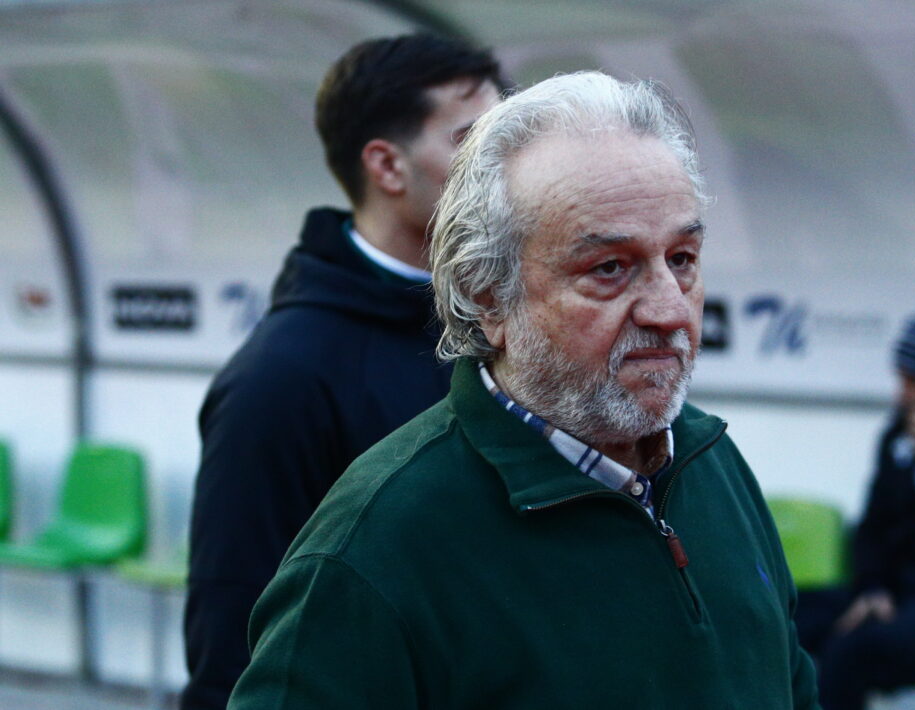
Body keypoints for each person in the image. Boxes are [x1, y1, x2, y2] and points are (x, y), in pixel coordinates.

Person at [228, 71, 819, 709]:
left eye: (682, 259)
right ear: (487, 296)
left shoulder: (713, 461)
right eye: (610, 268)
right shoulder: (376, 550)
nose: (670, 309)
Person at [181, 34, 504, 710]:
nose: (504, 163)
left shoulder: (511, 324)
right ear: (387, 166)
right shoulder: (280, 378)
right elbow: (232, 632)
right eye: (471, 140)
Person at [817, 313, 915, 710]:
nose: (902, 395)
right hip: (890, 590)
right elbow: (871, 527)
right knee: (787, 617)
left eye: (914, 383)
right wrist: (872, 588)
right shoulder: (897, 435)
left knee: (848, 653)